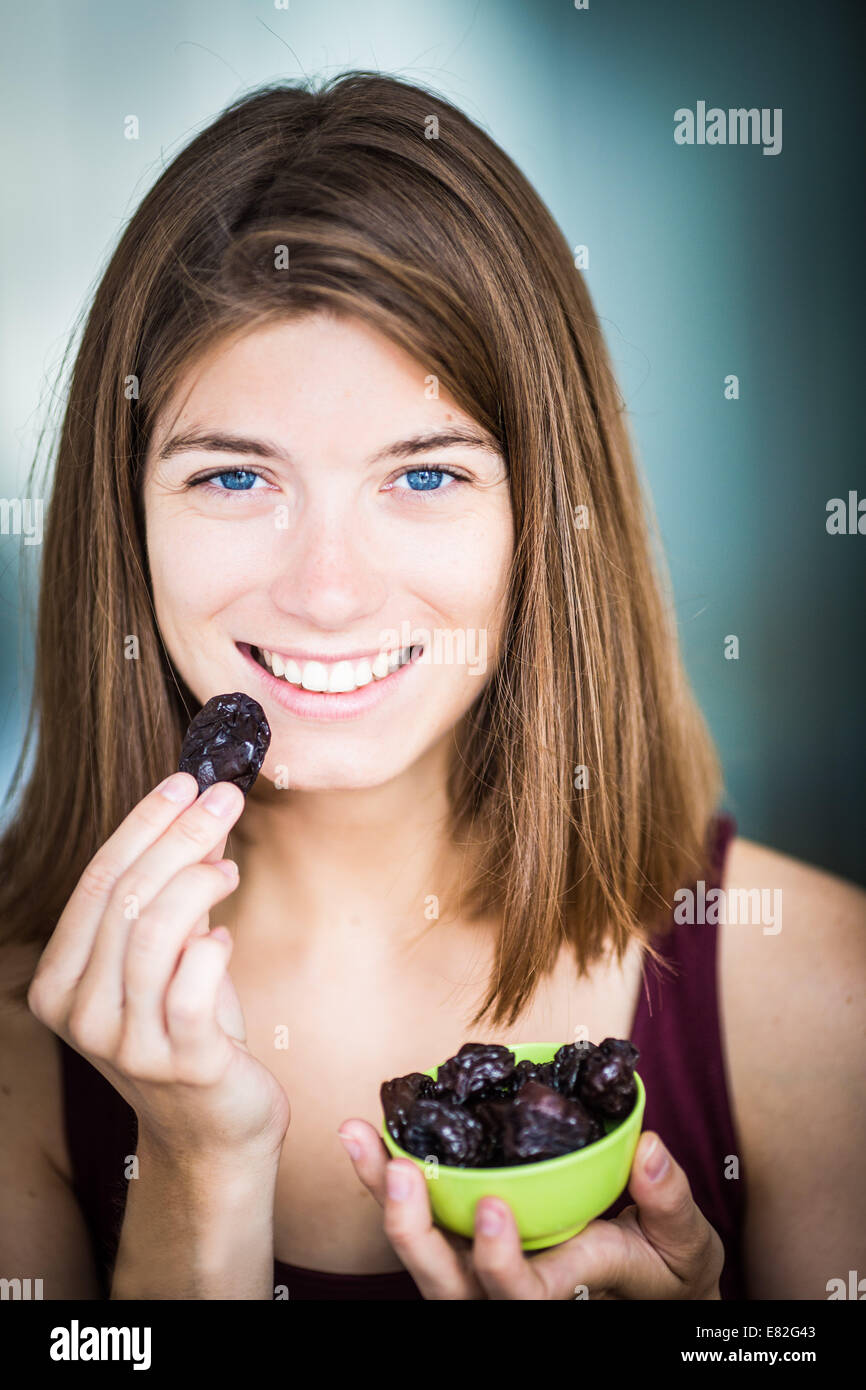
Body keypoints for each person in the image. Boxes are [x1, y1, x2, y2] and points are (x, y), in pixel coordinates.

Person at [0, 72, 862, 1302]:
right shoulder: (15, 1045)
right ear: (121, 519)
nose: (329, 591)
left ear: (545, 522)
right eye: (236, 479)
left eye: (424, 476)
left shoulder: (825, 996)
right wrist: (193, 1178)